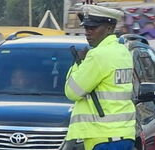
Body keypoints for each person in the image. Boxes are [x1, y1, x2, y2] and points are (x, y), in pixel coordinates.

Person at [64, 4, 136, 150]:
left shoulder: (98, 55)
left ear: (109, 29)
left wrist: (79, 63)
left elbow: (72, 92)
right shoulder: (122, 52)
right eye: (86, 28)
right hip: (124, 135)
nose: (87, 32)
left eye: (93, 28)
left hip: (103, 138)